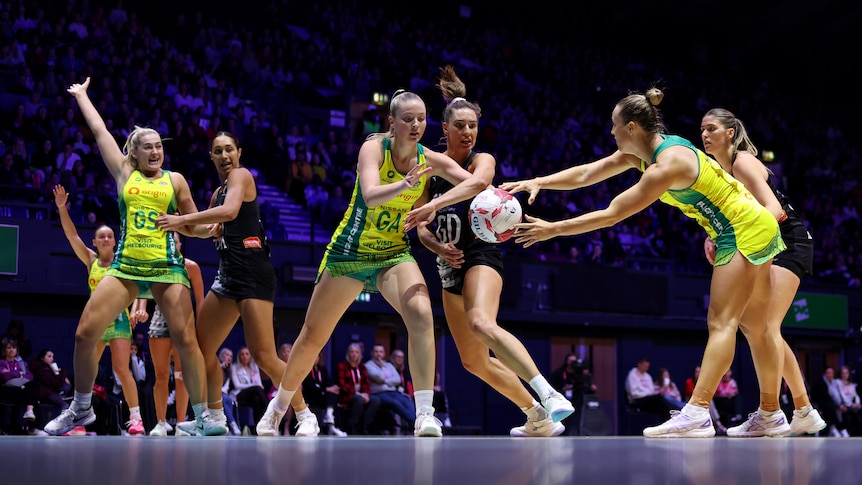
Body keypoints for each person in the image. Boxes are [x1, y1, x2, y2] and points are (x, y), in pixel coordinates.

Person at [501, 87, 786, 438]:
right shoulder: (649, 152)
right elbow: (589, 174)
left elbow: (611, 215)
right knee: (756, 328)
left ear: (632, 127)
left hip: (741, 229)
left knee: (721, 322)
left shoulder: (665, 166)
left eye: (614, 126)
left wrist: (552, 229)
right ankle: (771, 414)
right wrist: (539, 181)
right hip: (756, 223)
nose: (611, 132)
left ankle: (697, 411)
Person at [261, 88, 488, 438]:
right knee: (311, 339)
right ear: (392, 123)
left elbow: (477, 182)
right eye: (408, 119)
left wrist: (439, 204)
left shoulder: (430, 158)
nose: (416, 125)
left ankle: (424, 413)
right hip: (349, 253)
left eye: (421, 119)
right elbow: (369, 193)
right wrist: (405, 184)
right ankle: (279, 410)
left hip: (392, 254)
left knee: (422, 315)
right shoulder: (373, 148)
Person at [44, 77, 223, 436]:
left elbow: (190, 224)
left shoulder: (175, 180)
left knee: (187, 341)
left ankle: (204, 417)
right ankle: (80, 409)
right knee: (85, 334)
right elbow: (98, 131)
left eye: (159, 147)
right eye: (148, 148)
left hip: (167, 266)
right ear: (134, 154)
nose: (156, 152)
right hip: (126, 266)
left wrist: (209, 229)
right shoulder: (124, 172)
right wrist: (82, 96)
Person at [416, 66, 573, 437]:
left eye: (472, 125)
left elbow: (480, 183)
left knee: (482, 323)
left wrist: (436, 205)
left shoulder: (480, 160)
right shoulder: (427, 170)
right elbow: (421, 228)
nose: (468, 132)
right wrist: (437, 244)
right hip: (447, 264)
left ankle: (548, 394)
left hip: (481, 256)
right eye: (461, 126)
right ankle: (536, 416)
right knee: (473, 361)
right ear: (446, 130)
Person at [155, 131, 318, 437]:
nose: (225, 155)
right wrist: (177, 221)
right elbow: (207, 230)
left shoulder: (242, 177)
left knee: (264, 356)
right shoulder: (217, 194)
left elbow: (230, 213)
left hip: (254, 272)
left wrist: (179, 222)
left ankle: (304, 414)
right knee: (200, 350)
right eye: (218, 151)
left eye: (229, 149)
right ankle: (215, 416)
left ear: (239, 152)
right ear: (212, 157)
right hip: (227, 276)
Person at [699, 108, 826, 436]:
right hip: (764, 241)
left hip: (787, 239)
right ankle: (801, 410)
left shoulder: (741, 162)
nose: (705, 134)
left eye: (712, 128)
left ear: (729, 133)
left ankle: (782, 411)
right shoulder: (718, 170)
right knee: (755, 326)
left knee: (765, 325)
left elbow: (774, 210)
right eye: (702, 129)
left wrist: (734, 240)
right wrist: (715, 235)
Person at [52, 184, 146, 435]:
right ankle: (79, 420)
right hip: (96, 322)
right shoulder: (91, 260)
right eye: (101, 236)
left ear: (115, 241)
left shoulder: (122, 262)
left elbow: (139, 286)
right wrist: (62, 208)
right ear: (94, 242)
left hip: (118, 320)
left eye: (109, 236)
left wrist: (138, 307)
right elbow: (72, 235)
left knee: (120, 369)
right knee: (87, 370)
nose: (105, 239)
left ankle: (136, 419)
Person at [146, 234, 201, 436]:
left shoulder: (191, 267)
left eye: (174, 240)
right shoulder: (156, 264)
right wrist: (139, 308)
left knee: (181, 376)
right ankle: (160, 423)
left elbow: (201, 300)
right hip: (159, 321)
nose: (171, 243)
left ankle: (180, 424)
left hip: (184, 324)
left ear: (179, 244)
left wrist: (200, 328)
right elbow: (143, 291)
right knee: (161, 376)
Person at [0, 338, 46, 434]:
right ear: (4, 350)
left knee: (33, 387)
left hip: (22, 390)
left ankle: (30, 414)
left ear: (17, 350)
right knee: (32, 396)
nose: (11, 350)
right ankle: (34, 428)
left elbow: (30, 376)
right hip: (7, 390)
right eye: (9, 348)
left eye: (14, 348)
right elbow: (4, 376)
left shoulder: (22, 363)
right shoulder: (1, 363)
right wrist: (20, 374)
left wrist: (11, 373)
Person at [366, 343, 416, 431]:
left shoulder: (388, 365)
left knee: (406, 400)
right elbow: (379, 377)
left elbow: (397, 379)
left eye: (381, 352)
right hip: (378, 393)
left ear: (384, 354)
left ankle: (417, 420)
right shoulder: (368, 365)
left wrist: (383, 381)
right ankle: (413, 422)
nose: (378, 354)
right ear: (372, 353)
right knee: (394, 402)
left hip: (393, 392)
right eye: (376, 352)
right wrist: (388, 379)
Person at [336, 342, 381, 435]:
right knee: (358, 399)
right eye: (352, 352)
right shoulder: (342, 366)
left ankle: (365, 425)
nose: (354, 354)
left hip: (360, 395)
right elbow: (342, 384)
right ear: (348, 353)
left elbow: (366, 383)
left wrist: (366, 394)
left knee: (375, 400)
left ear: (360, 354)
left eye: (356, 352)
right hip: (346, 395)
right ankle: (353, 425)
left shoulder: (362, 367)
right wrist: (356, 393)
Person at [301, 351, 348, 436]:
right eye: (313, 357)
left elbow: (328, 383)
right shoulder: (305, 370)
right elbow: (309, 387)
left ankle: (331, 424)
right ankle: (330, 420)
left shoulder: (322, 369)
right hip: (310, 397)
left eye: (317, 357)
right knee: (330, 394)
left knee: (333, 394)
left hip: (322, 396)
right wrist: (326, 389)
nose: (315, 359)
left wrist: (332, 388)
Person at [550, 353, 597, 436]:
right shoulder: (559, 373)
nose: (572, 363)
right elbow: (553, 387)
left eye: (574, 361)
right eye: (570, 361)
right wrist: (564, 388)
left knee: (576, 420)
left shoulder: (580, 373)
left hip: (577, 400)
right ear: (566, 362)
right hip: (562, 400)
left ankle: (576, 433)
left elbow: (584, 386)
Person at [217, 347, 242, 436]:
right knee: (223, 399)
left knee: (228, 400)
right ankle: (232, 424)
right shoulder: (215, 366)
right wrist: (220, 368)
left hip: (223, 394)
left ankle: (228, 425)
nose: (229, 358)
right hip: (212, 393)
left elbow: (225, 388)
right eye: (227, 355)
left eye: (231, 356)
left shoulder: (229, 370)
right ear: (221, 355)